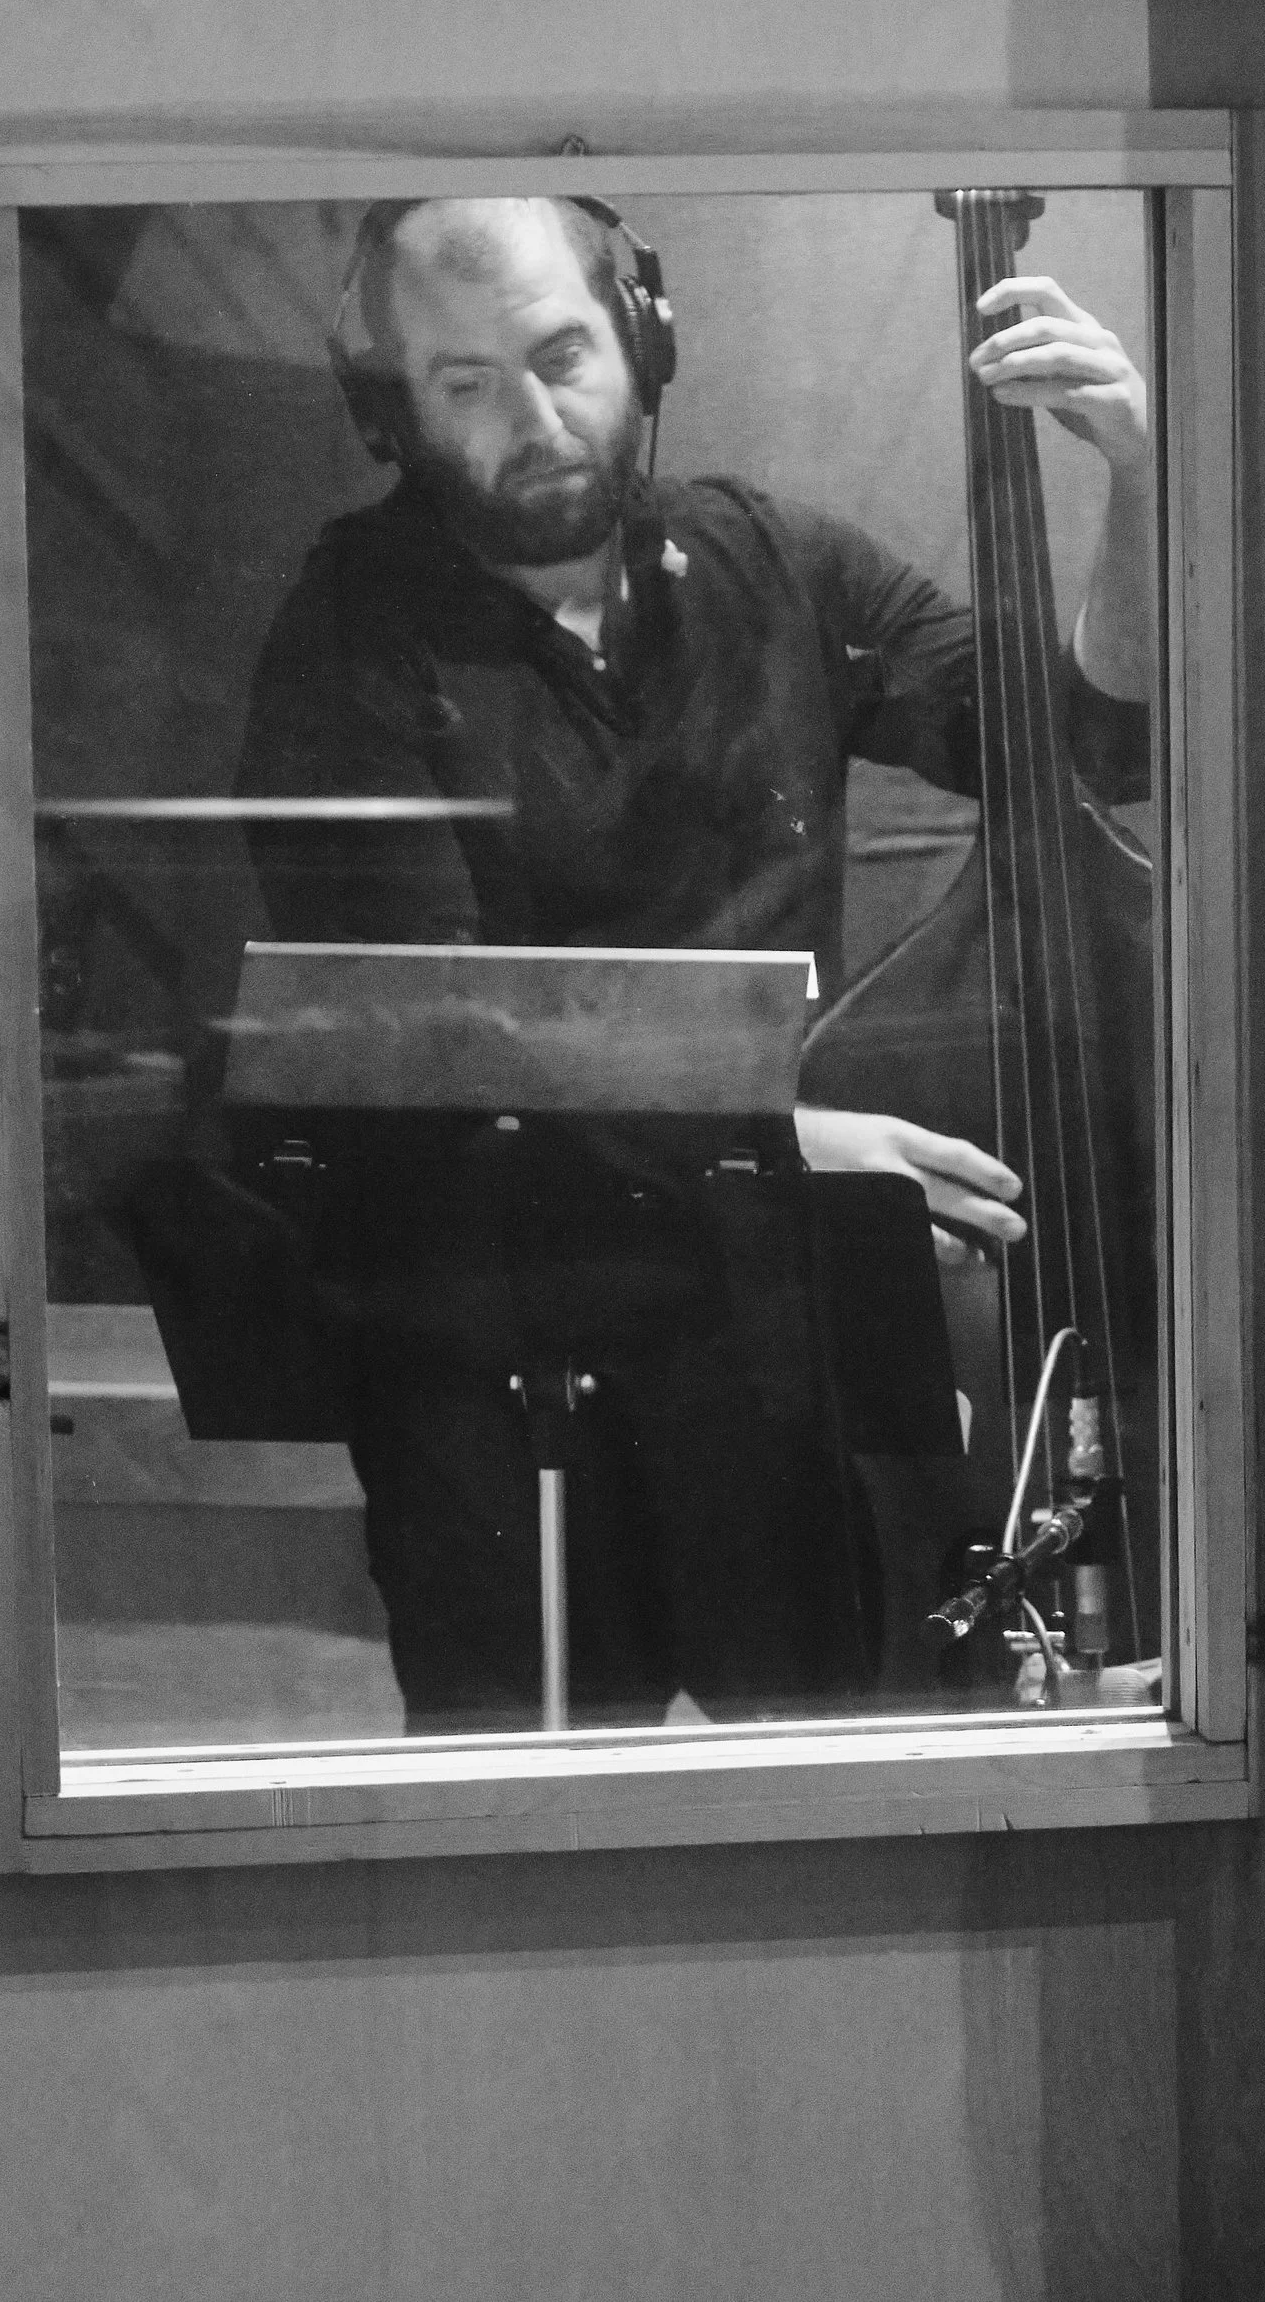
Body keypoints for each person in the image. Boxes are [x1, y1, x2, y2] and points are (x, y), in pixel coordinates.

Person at [230, 194, 1154, 1730]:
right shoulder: (346, 636)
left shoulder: (772, 560)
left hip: (760, 1355)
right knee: (528, 1818)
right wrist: (773, 1139)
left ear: (641, 339)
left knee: (812, 1790)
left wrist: (1136, 475)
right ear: (394, 411)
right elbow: (435, 1035)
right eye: (466, 383)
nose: (535, 420)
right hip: (496, 1372)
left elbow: (1085, 744)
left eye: (560, 354)